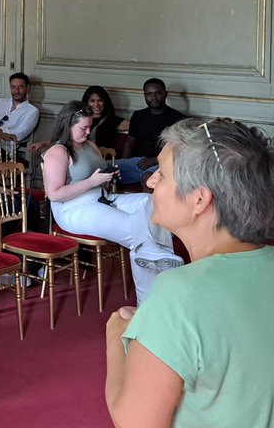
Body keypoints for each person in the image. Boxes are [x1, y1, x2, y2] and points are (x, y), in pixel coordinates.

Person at [106, 118, 274, 428]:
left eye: (162, 173)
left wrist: (116, 338)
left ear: (199, 199)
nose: (150, 181)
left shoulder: (180, 291)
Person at [43, 100, 182, 304]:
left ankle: (158, 256)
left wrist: (109, 175)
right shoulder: (58, 152)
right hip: (74, 208)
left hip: (103, 197)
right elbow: (54, 194)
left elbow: (98, 174)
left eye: (90, 126)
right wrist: (92, 181)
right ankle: (149, 299)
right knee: (137, 231)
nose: (88, 131)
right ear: (68, 124)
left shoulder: (89, 145)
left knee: (149, 201)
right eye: (83, 127)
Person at [115, 78, 187, 188]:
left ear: (165, 94)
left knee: (149, 178)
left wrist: (154, 160)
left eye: (158, 93)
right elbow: (130, 141)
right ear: (144, 95)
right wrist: (125, 161)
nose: (153, 97)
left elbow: (180, 149)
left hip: (162, 164)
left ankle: (150, 205)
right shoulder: (138, 116)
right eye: (149, 94)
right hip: (138, 162)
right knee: (104, 168)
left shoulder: (178, 119)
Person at [0, 72, 40, 147]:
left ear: (27, 88)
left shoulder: (32, 111)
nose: (16, 91)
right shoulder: (0, 102)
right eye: (13, 87)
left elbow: (19, 135)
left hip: (1, 148)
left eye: (20, 87)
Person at [82, 84, 129, 151]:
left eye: (100, 100)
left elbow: (135, 125)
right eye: (92, 101)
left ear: (105, 102)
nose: (96, 104)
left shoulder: (111, 120)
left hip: (103, 157)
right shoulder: (80, 118)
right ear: (87, 103)